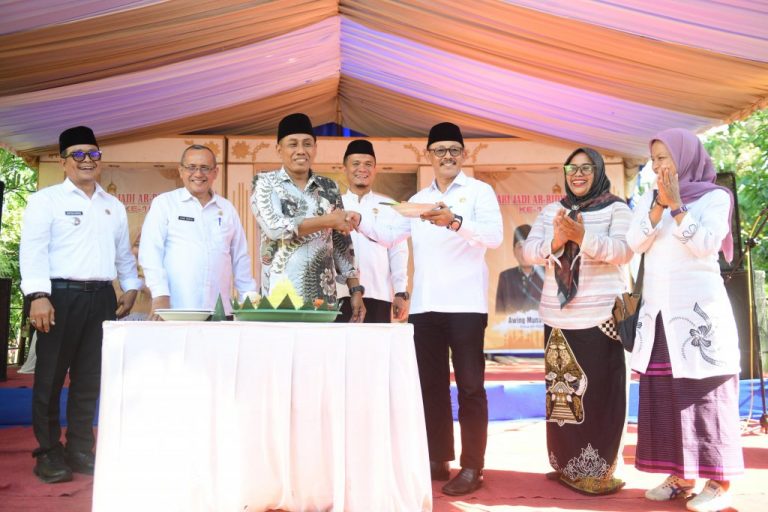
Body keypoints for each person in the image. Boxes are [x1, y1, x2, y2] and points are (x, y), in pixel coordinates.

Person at [348, 122, 503, 496]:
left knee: (470, 388)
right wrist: (358, 221)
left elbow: (495, 237)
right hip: (425, 307)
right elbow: (389, 235)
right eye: (440, 150)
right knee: (431, 387)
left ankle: (473, 466)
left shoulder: (479, 192)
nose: (447, 156)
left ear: (463, 154)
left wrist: (454, 221)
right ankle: (437, 458)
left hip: (465, 306)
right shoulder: (418, 199)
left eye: (454, 150)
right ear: (429, 155)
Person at [627, 128, 743, 512]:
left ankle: (719, 482)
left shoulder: (715, 197)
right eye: (654, 159)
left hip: (698, 316)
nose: (657, 166)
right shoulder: (649, 197)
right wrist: (657, 209)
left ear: (685, 158)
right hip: (658, 316)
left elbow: (705, 245)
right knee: (667, 396)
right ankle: (680, 476)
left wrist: (677, 207)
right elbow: (634, 243)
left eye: (664, 158)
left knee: (705, 396)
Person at [19, 126, 142, 483]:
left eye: (93, 153)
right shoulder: (46, 200)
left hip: (102, 298)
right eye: (78, 154)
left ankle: (79, 449)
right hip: (58, 297)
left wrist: (131, 287)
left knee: (89, 379)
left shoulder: (112, 205)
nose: (87, 160)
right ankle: (48, 452)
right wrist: (38, 296)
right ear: (63, 161)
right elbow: (33, 250)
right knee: (50, 379)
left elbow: (123, 254)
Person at [523, 147, 632, 495]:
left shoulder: (617, 208)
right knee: (563, 397)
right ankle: (567, 465)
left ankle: (597, 471)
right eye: (573, 168)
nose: (579, 174)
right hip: (557, 318)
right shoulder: (551, 210)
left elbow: (624, 252)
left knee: (600, 396)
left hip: (601, 318)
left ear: (598, 171)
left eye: (587, 168)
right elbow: (528, 251)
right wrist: (556, 240)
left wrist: (582, 237)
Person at [250, 113, 364, 320]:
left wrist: (355, 290)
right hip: (280, 299)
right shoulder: (265, 183)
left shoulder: (329, 187)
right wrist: (328, 220)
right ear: (279, 149)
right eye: (293, 144)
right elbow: (276, 229)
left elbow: (341, 243)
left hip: (323, 300)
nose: (301, 151)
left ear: (315, 148)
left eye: (307, 144)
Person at [139, 144, 256, 318]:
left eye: (205, 168)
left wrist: (248, 299)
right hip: (176, 309)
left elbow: (240, 257)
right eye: (191, 167)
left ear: (215, 172)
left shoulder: (227, 208)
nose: (198, 174)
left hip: (219, 311)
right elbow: (150, 253)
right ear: (181, 171)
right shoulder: (165, 204)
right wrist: (160, 294)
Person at [336, 139, 410, 323]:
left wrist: (400, 292)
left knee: (376, 342)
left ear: (375, 169)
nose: (362, 169)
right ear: (344, 168)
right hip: (339, 293)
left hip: (379, 294)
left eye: (368, 164)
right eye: (356, 163)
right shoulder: (334, 205)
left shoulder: (389, 206)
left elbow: (398, 251)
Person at [495, 224, 544, 314]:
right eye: (520, 246)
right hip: (513, 323)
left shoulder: (548, 275)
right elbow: (499, 315)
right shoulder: (505, 277)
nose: (525, 251)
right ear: (514, 251)